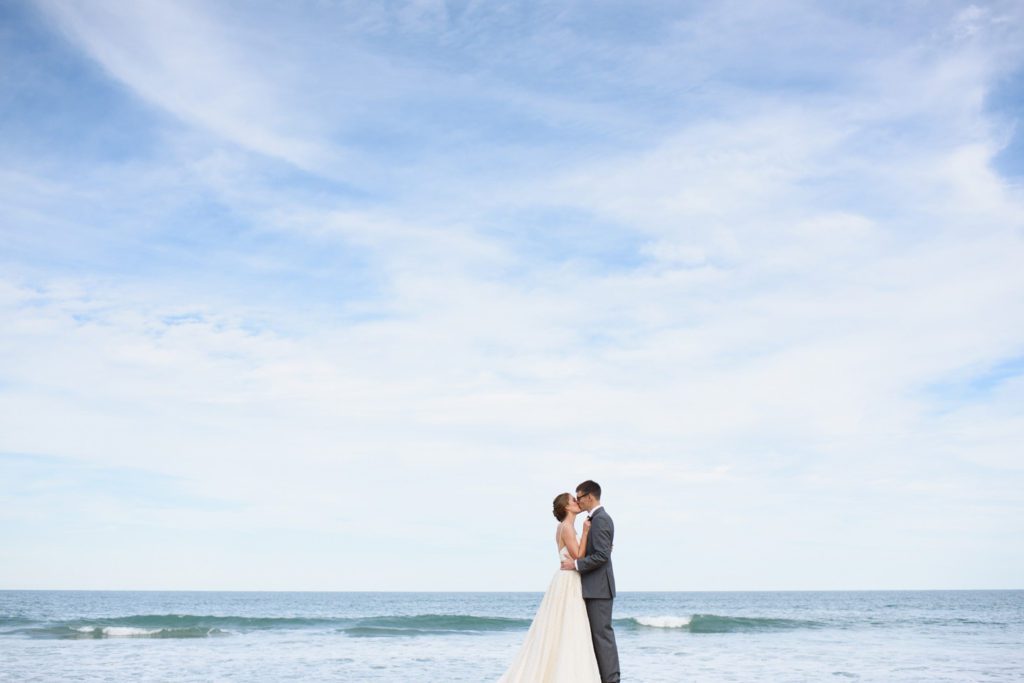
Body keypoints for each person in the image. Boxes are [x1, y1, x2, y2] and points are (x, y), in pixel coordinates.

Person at [497, 492, 602, 682]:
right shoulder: (567, 528)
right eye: (573, 500)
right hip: (568, 580)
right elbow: (578, 555)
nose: (577, 502)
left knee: (562, 627)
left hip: (566, 578)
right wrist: (586, 532)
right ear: (566, 507)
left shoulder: (563, 526)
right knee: (570, 626)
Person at [561, 480, 620, 682]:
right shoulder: (593, 520)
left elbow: (602, 555)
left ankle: (612, 680)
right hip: (592, 587)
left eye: (579, 497)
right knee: (594, 638)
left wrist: (576, 565)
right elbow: (601, 551)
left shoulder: (601, 519)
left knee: (602, 637)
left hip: (599, 589)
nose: (578, 501)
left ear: (589, 496)